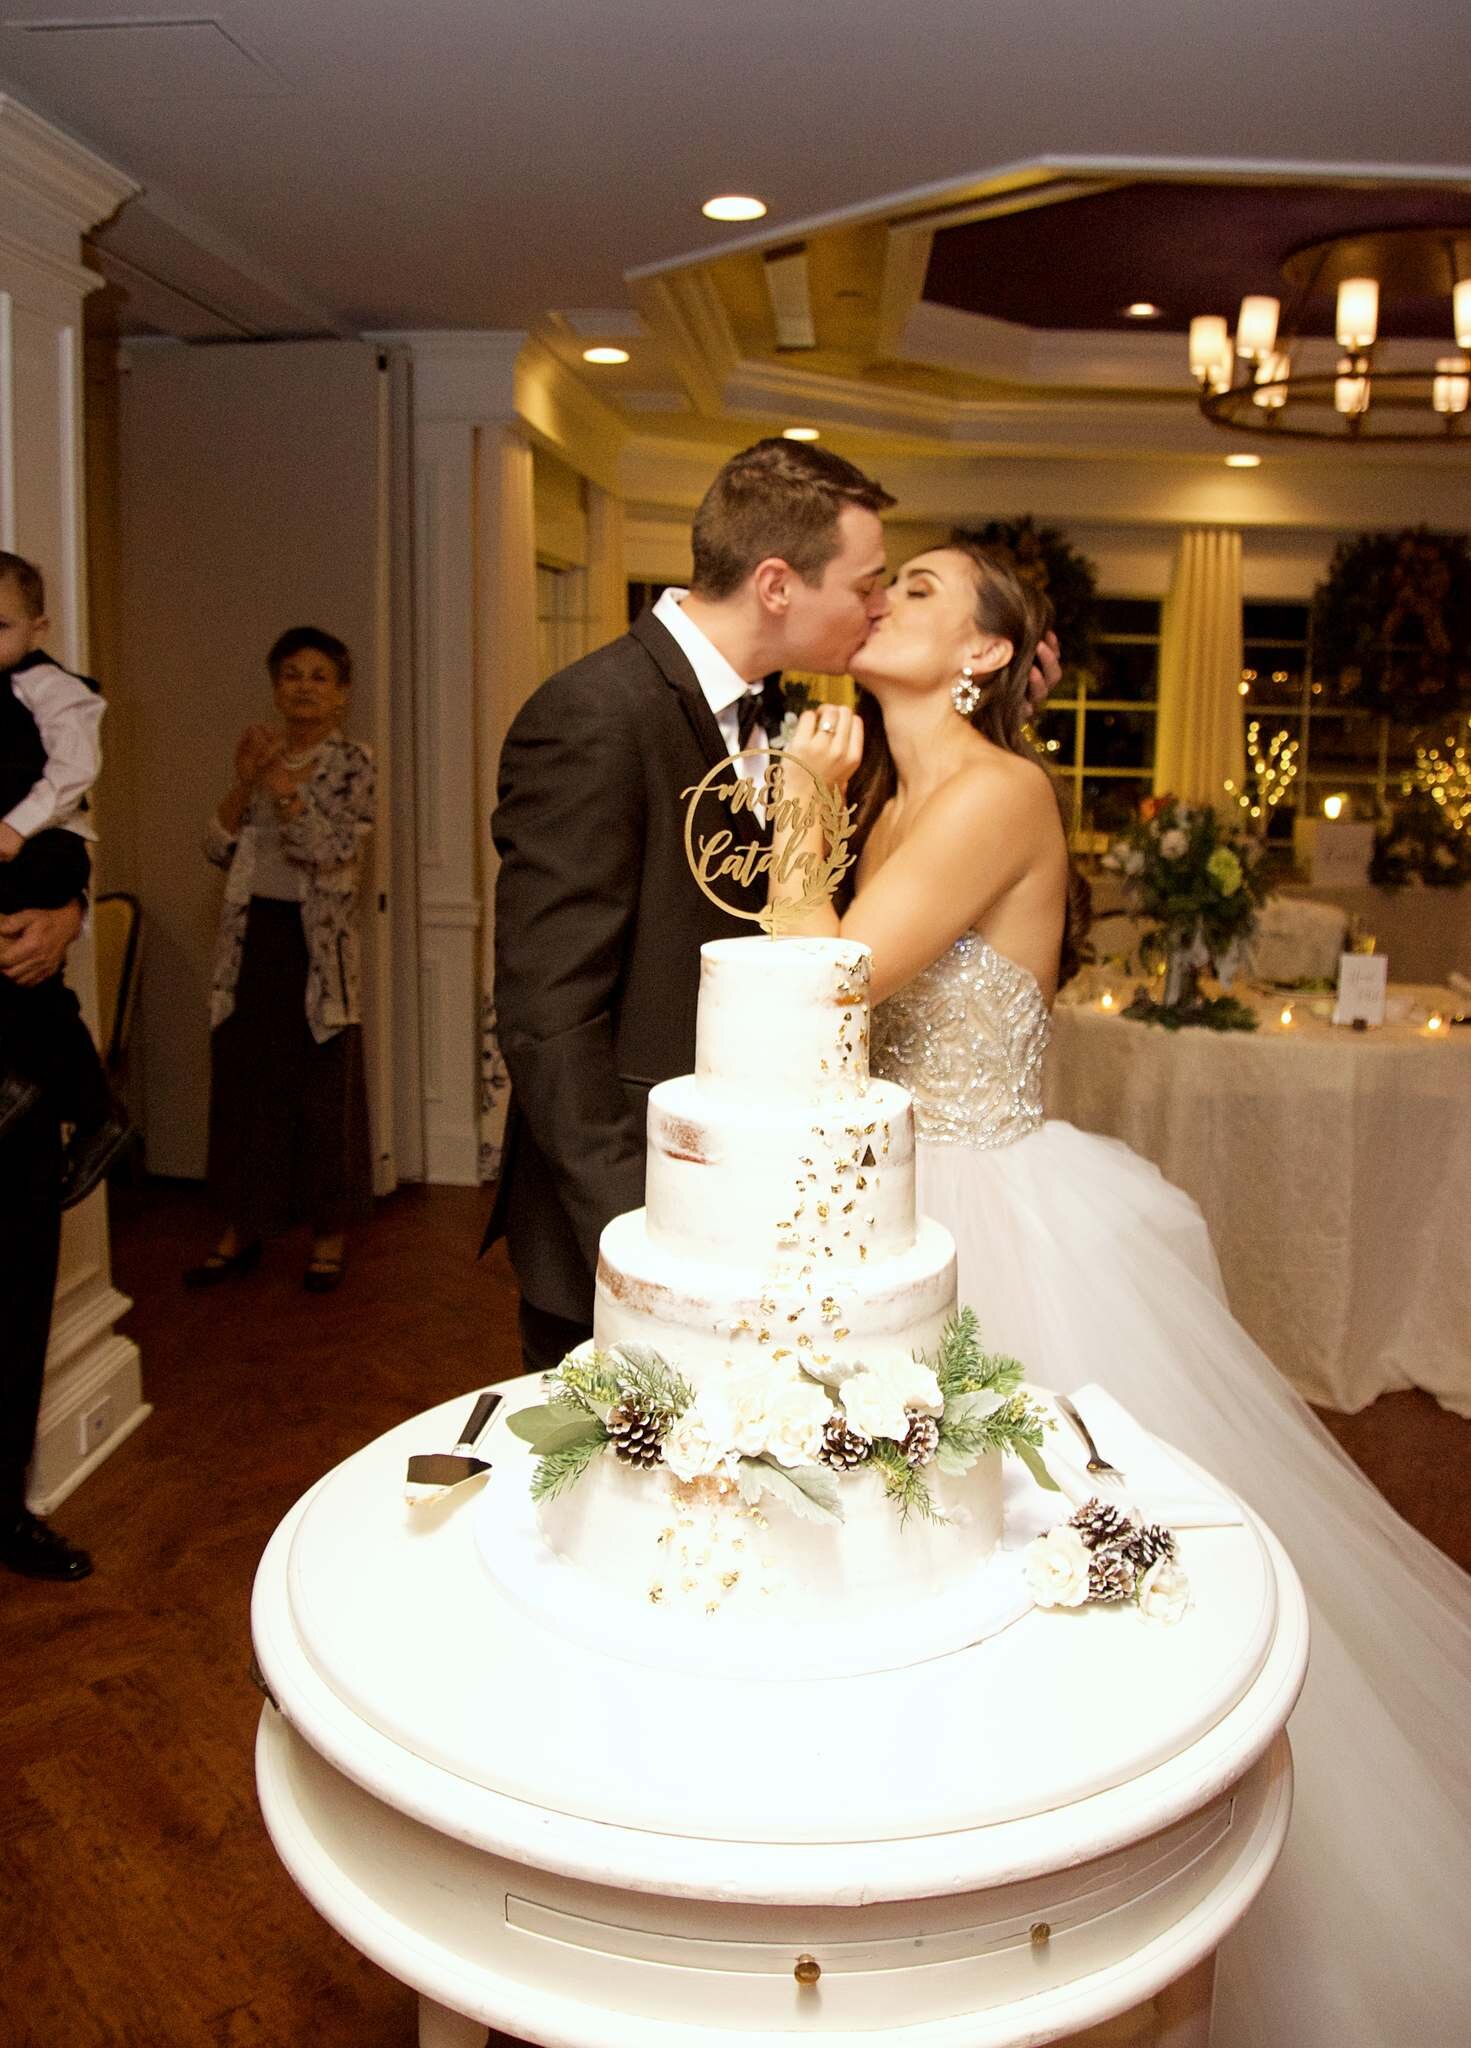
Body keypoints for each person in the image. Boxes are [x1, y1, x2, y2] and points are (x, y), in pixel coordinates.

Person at [771, 532, 1471, 2048]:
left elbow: (814, 985)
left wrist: (801, 814)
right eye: (883, 581)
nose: (884, 597)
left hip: (990, 1219)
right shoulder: (897, 798)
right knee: (892, 1562)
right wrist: (830, 813)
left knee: (1050, 1580)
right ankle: (923, 1878)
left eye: (922, 591)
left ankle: (1087, 1906)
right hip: (881, 1204)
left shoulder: (994, 792)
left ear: (978, 657)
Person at [486, 437, 897, 1373]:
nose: (876, 607)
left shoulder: (784, 714)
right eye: (866, 584)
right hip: (624, 1216)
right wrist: (635, 1232)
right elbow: (548, 1014)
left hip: (742, 1196)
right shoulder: (594, 713)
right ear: (777, 584)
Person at [184, 628, 375, 1294]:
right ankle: (243, 1228)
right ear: (275, 685)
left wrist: (282, 788)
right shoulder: (260, 751)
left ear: (341, 693)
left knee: (322, 1101)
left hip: (317, 953)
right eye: (291, 674)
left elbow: (330, 852)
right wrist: (245, 784)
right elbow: (214, 846)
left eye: (319, 676)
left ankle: (328, 1237)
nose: (303, 686)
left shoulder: (353, 761)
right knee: (245, 1095)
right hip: (249, 943)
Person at [0, 550, 131, 1206]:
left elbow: (76, 768)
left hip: (43, 847)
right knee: (24, 978)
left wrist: (17, 829)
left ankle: (52, 1090)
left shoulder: (47, 686)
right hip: (26, 848)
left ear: (36, 628)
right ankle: (42, 1085)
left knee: (20, 958)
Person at [0, 898, 94, 1580]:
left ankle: (5, 1510)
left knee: (18, 1310)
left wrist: (66, 913)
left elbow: (69, 834)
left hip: (19, 1109)